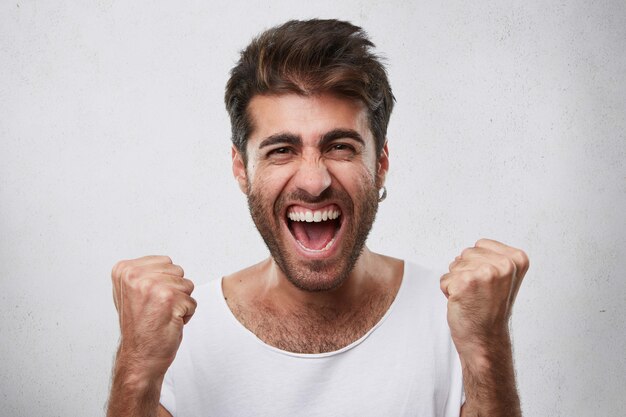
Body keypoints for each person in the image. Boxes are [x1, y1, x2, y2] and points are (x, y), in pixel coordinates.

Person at [106, 19, 529, 417]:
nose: (313, 181)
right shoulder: (181, 334)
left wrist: (486, 347)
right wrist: (138, 364)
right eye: (281, 150)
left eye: (341, 147)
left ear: (380, 163)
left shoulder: (454, 321)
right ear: (241, 169)